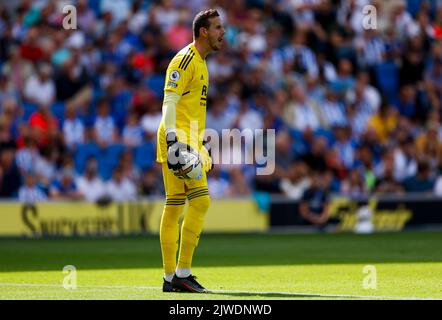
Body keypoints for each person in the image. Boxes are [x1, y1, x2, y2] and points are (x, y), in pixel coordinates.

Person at [156, 9, 224, 293]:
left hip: (189, 139)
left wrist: (203, 144)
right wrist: (174, 141)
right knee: (201, 201)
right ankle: (182, 273)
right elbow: (169, 102)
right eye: (218, 27)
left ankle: (170, 278)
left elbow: (190, 107)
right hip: (177, 139)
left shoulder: (202, 62)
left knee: (174, 205)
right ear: (203, 31)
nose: (223, 32)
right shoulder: (184, 60)